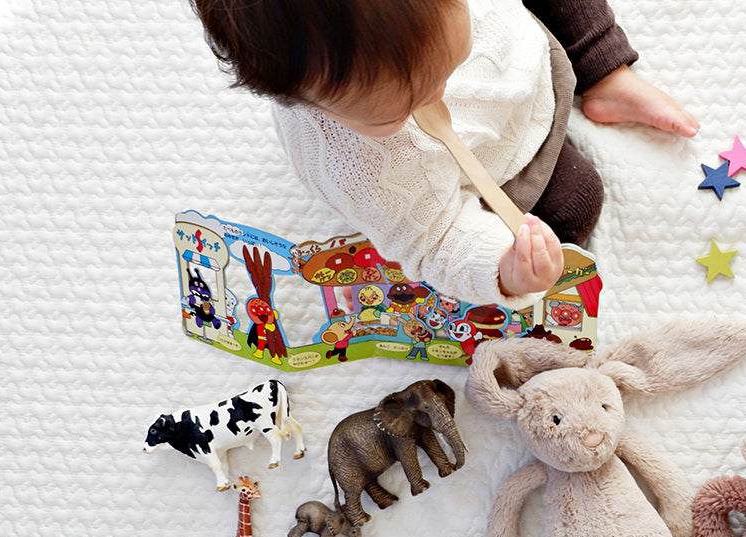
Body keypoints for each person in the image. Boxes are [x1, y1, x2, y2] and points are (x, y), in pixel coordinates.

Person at [191, 0, 697, 307]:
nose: (436, 97)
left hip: (528, 50)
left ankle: (607, 75)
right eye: (399, 109)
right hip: (497, 165)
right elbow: (434, 240)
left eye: (449, 62)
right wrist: (504, 270)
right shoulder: (358, 166)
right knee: (575, 203)